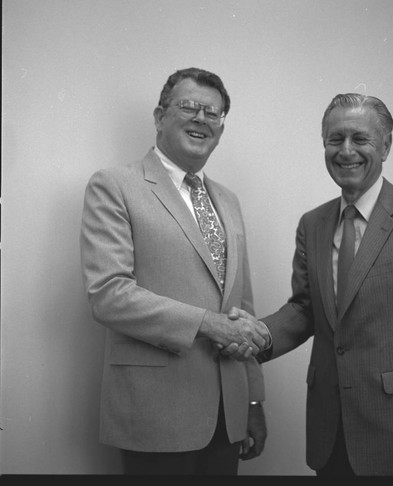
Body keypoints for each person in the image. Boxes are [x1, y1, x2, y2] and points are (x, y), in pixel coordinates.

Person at [226, 93, 393, 476]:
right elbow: (305, 308)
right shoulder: (312, 223)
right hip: (328, 430)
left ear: (385, 146)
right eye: (335, 139)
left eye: (360, 139)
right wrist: (259, 335)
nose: (346, 150)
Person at [79, 67, 270, 475]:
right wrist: (208, 324)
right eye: (189, 106)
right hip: (154, 414)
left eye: (213, 113)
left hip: (228, 417)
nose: (202, 118)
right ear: (159, 116)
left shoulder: (229, 201)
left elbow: (243, 312)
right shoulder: (114, 185)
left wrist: (252, 401)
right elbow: (109, 295)